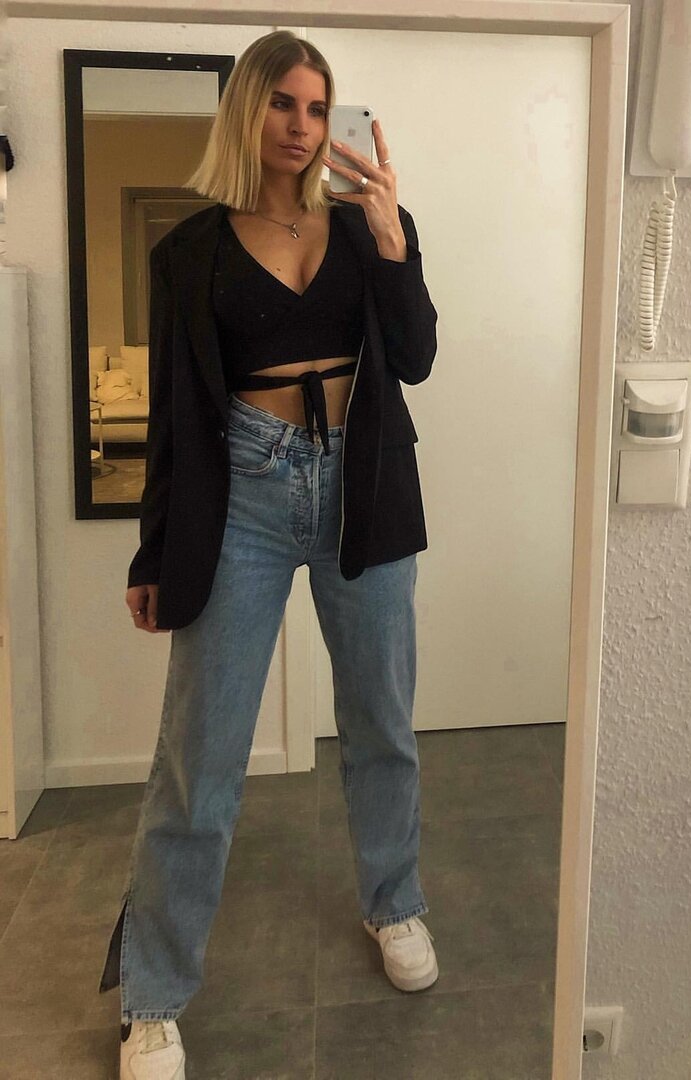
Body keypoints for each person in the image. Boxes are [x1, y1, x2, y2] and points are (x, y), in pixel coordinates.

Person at [95, 30, 439, 1080]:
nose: (301, 125)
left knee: (380, 723)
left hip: (361, 488)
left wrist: (391, 236)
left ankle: (395, 902)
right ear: (247, 109)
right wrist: (152, 554)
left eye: (317, 107)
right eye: (283, 103)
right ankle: (153, 996)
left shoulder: (371, 227)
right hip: (239, 496)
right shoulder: (188, 251)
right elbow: (173, 414)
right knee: (199, 760)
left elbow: (416, 357)